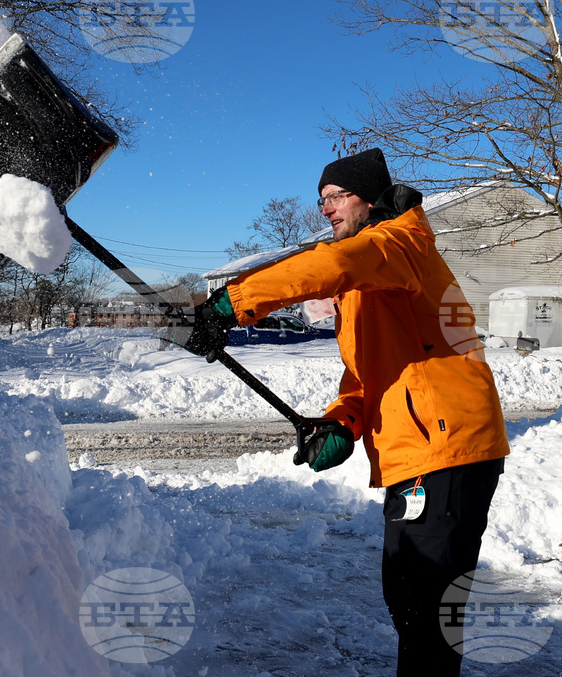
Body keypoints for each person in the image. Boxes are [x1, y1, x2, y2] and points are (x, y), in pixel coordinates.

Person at [177, 147, 510, 676]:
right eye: (321, 200)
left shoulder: (397, 244)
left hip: (449, 446)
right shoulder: (367, 278)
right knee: (405, 595)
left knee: (426, 606)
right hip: (419, 451)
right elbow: (364, 375)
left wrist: (233, 302)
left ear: (369, 198)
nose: (326, 208)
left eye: (337, 196)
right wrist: (342, 421)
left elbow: (329, 265)